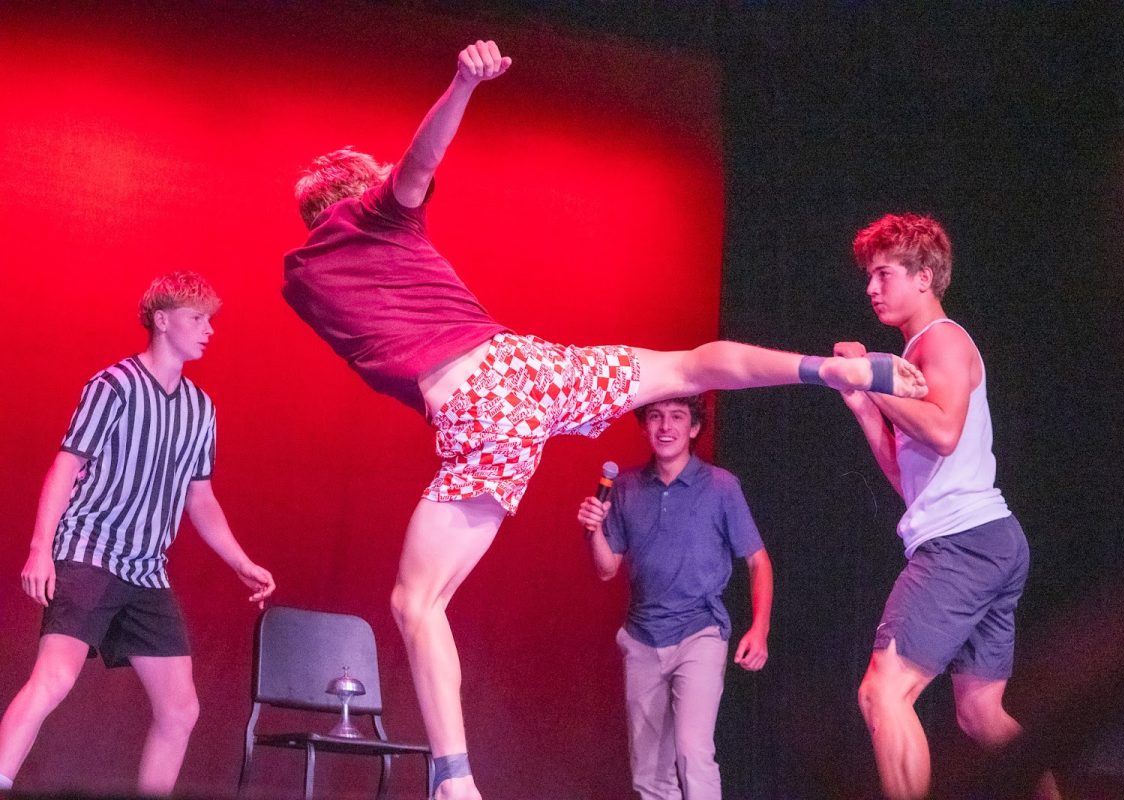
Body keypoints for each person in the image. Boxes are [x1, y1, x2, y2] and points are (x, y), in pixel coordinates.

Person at [282, 41, 925, 800]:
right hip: (526, 367)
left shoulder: (301, 281)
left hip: (478, 400)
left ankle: (456, 785)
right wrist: (460, 84)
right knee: (685, 367)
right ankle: (827, 369)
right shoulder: (373, 219)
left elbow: (389, 285)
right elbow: (416, 168)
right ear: (356, 193)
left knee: (416, 604)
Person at [0, 272, 276, 796]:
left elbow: (201, 498)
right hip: (89, 551)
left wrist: (240, 560)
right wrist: (42, 549)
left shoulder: (201, 408)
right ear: (162, 320)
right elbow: (65, 467)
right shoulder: (113, 387)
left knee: (180, 709)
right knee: (54, 679)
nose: (209, 331)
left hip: (146, 569)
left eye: (211, 320)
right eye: (198, 319)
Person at [837, 213, 1058, 800]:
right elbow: (913, 479)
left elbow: (942, 432)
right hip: (985, 541)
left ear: (924, 276)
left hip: (963, 543)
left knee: (882, 692)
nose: (871, 287)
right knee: (980, 715)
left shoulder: (943, 340)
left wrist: (877, 379)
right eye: (869, 276)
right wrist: (864, 402)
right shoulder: (916, 352)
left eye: (883, 273)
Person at [577, 395, 772, 800]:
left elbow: (758, 561)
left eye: (677, 418)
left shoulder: (720, 486)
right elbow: (606, 568)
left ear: (694, 428)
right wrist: (593, 530)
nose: (666, 427)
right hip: (642, 637)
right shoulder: (627, 487)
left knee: (692, 751)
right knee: (649, 772)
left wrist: (759, 628)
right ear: (645, 426)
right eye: (656, 417)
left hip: (699, 632)